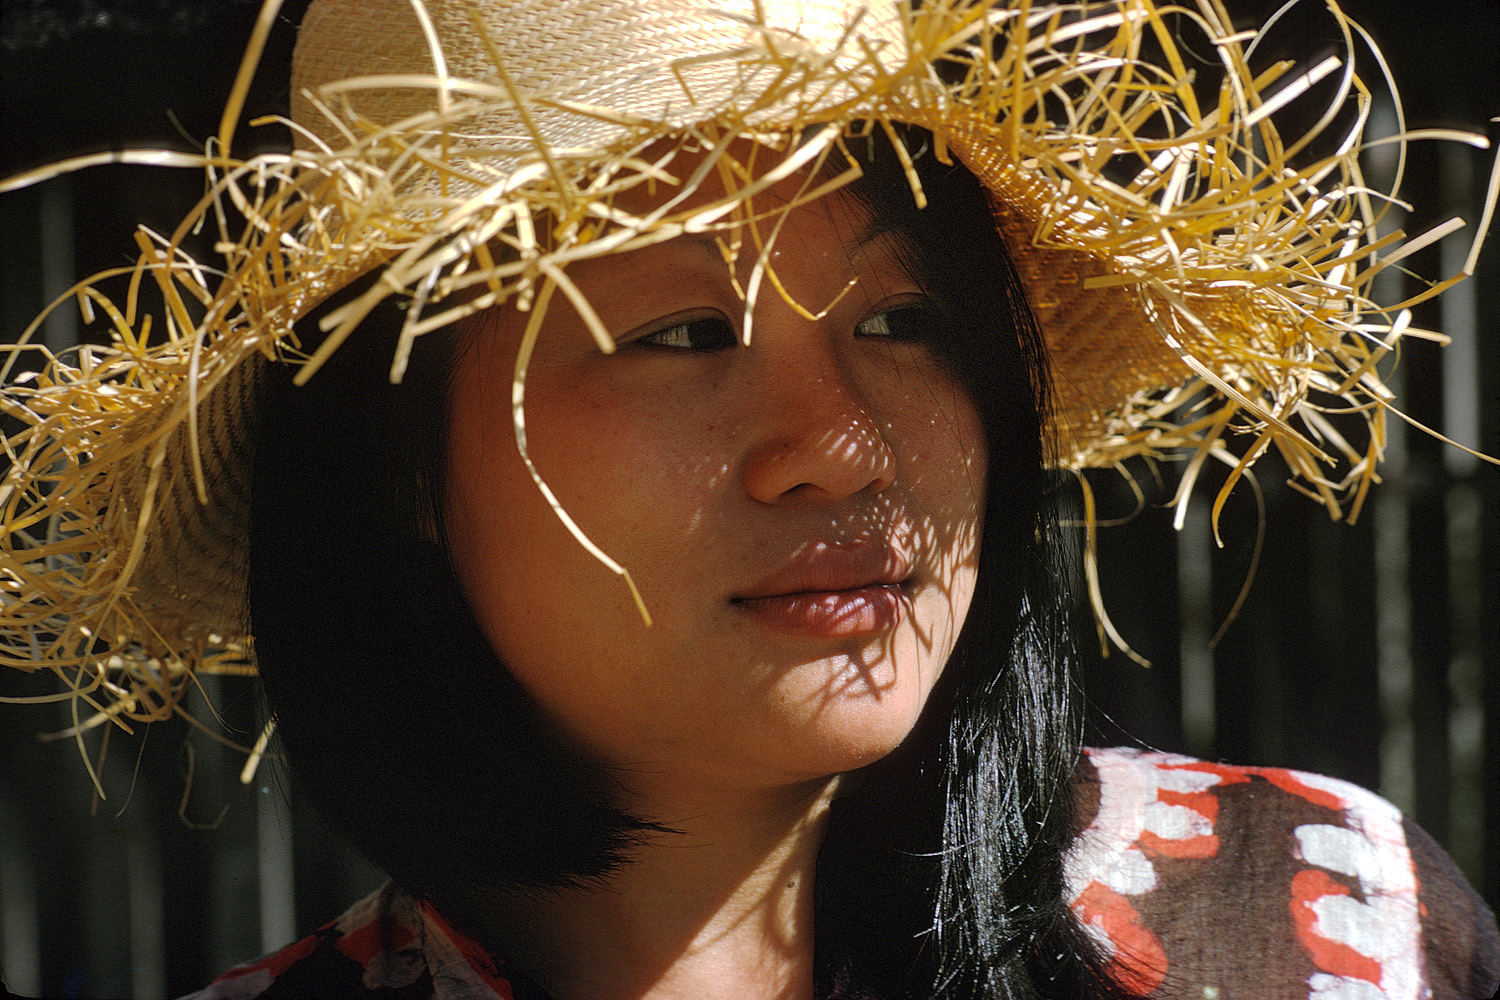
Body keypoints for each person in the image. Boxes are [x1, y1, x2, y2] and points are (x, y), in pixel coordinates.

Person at [0, 1, 1496, 998]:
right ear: (401, 471)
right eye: (682, 336)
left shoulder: (1317, 928)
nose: (842, 446)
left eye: (903, 321)